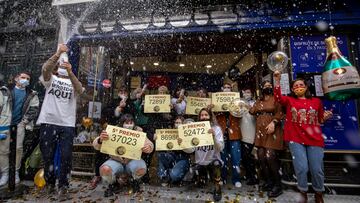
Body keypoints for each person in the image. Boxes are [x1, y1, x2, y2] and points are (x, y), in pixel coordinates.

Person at [273, 71, 332, 203]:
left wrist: (325, 117)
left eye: (301, 85)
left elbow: (320, 119)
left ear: (306, 87)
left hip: (314, 140)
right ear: (293, 90)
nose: (298, 87)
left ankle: (318, 192)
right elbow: (278, 98)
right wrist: (277, 81)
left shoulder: (316, 101)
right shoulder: (289, 101)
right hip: (295, 139)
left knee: (317, 169)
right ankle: (303, 191)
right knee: (302, 168)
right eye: (295, 86)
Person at [36, 44, 84, 199]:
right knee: (47, 156)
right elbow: (45, 69)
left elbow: (80, 89)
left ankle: (63, 186)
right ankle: (50, 184)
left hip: (67, 125)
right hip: (49, 122)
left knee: (66, 156)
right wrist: (58, 53)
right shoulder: (50, 80)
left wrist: (70, 72)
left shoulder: (73, 82)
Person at [93, 114, 154, 197]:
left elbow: (149, 144)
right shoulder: (112, 131)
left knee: (141, 169)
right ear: (122, 123)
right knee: (105, 170)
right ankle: (113, 183)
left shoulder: (139, 132)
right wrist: (100, 140)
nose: (128, 125)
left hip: (132, 161)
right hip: (116, 161)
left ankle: (134, 181)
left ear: (134, 124)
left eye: (131, 122)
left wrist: (149, 147)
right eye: (126, 122)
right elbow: (96, 145)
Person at [0, 72, 39, 187]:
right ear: (16, 78)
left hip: (20, 126)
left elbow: (34, 109)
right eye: (23, 77)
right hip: (4, 124)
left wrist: (24, 122)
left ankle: (15, 172)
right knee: (3, 150)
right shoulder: (5, 91)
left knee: (18, 149)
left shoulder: (32, 94)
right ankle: (5, 173)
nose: (25, 80)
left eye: (27, 78)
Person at [180, 108, 224, 202]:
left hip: (213, 161)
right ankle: (201, 179)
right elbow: (190, 150)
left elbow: (220, 148)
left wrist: (214, 137)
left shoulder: (216, 129)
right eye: (202, 115)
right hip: (200, 163)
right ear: (199, 117)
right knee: (187, 180)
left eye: (206, 115)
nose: (204, 117)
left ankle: (217, 188)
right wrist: (182, 144)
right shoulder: (195, 130)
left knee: (216, 164)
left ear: (210, 116)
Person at [249, 81, 284, 198]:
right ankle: (269, 182)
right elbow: (252, 111)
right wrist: (247, 106)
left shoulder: (276, 99)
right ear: (262, 88)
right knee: (261, 156)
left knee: (270, 156)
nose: (268, 87)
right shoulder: (259, 100)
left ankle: (278, 185)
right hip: (261, 131)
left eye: (270, 86)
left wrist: (273, 122)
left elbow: (280, 113)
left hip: (272, 130)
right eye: (265, 86)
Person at [216, 82, 242, 188]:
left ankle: (236, 179)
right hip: (222, 135)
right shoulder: (217, 102)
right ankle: (223, 177)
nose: (227, 89)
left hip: (234, 134)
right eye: (225, 87)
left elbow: (240, 116)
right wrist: (213, 108)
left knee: (236, 158)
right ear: (222, 90)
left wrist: (238, 107)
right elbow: (213, 119)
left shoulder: (237, 102)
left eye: (229, 87)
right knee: (223, 158)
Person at [156, 116, 190, 186]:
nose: (178, 124)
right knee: (161, 155)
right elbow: (161, 148)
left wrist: (183, 143)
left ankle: (173, 175)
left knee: (174, 176)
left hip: (183, 158)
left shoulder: (187, 134)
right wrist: (157, 139)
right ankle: (164, 176)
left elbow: (191, 150)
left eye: (180, 123)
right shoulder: (168, 133)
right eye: (176, 123)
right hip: (171, 157)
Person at [240, 88, 258, 185]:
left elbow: (256, 115)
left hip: (252, 131)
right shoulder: (239, 103)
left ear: (252, 93)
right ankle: (249, 175)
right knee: (245, 156)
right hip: (242, 132)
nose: (246, 94)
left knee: (251, 156)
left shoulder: (255, 103)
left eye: (248, 92)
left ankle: (254, 176)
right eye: (245, 92)